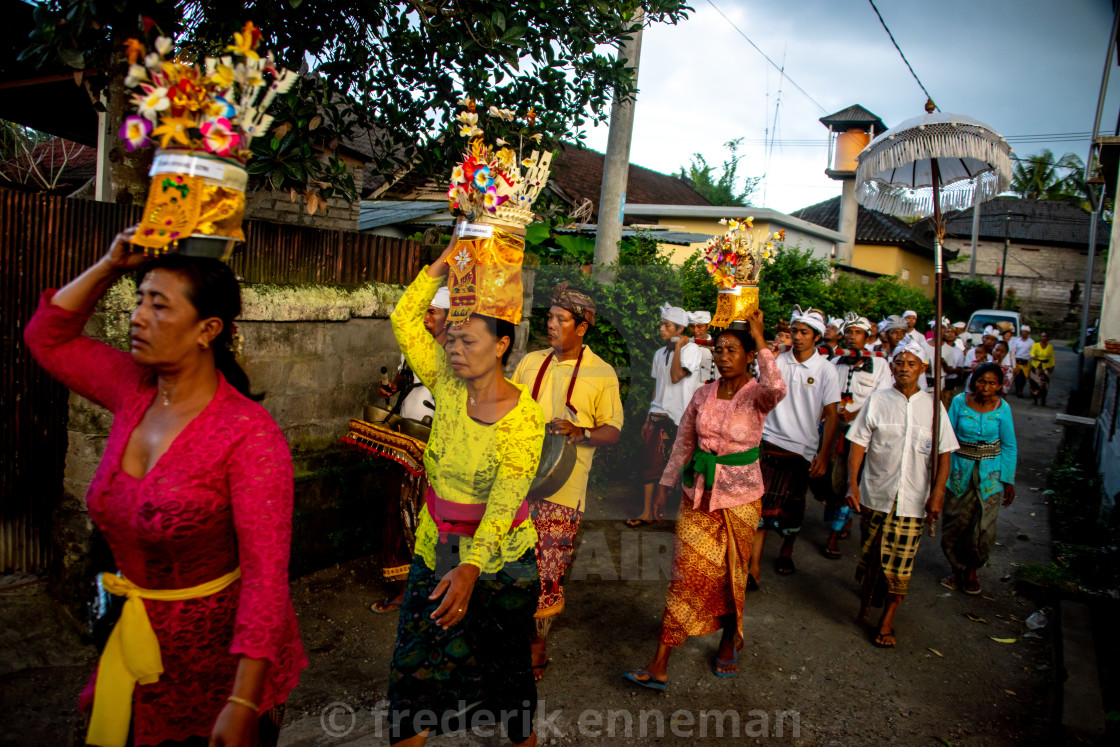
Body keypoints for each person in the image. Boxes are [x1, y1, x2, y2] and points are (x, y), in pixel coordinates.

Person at [24, 228, 306, 747]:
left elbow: (267, 581)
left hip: (219, 671)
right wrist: (111, 264)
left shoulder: (248, 436)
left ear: (208, 329)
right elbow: (47, 336)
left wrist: (243, 702)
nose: (137, 317)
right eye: (138, 301)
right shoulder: (132, 388)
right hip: (133, 642)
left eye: (159, 306)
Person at [387, 232, 546, 746]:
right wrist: (439, 263)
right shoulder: (447, 383)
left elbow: (503, 504)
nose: (453, 350)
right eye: (450, 339)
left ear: (502, 344)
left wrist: (473, 566)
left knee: (507, 678)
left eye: (468, 341)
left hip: (501, 561)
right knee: (412, 674)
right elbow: (403, 320)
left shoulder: (525, 417)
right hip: (435, 549)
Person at [623, 310, 785, 690]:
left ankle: (728, 640)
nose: (724, 355)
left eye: (733, 350)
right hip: (697, 495)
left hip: (742, 498)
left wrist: (761, 341)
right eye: (719, 349)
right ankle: (660, 663)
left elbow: (777, 387)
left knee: (731, 575)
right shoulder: (702, 393)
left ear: (748, 356)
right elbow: (683, 443)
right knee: (686, 574)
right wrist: (664, 486)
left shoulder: (757, 396)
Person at [511, 283, 623, 681]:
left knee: (546, 570)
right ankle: (506, 638)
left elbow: (613, 430)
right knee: (509, 564)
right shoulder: (530, 362)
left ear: (583, 328)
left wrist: (580, 431)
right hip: (518, 482)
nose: (552, 324)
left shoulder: (602, 372)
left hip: (565, 489)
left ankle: (537, 645)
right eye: (550, 317)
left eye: (561, 319)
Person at [847, 339, 959, 648]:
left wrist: (937, 494)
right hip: (876, 494)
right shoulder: (878, 400)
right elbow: (858, 442)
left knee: (901, 564)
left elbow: (944, 454)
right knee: (870, 554)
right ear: (892, 367)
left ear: (923, 369)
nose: (904, 369)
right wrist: (852, 483)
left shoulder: (933, 407)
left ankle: (887, 620)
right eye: (899, 363)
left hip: (912, 500)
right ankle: (873, 588)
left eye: (911, 364)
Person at [371, 286, 450, 614]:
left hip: (437, 450)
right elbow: (406, 378)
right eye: (425, 311)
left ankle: (434, 589)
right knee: (398, 509)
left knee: (428, 514)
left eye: (433, 312)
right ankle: (403, 587)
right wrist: (394, 387)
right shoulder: (412, 345)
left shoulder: (458, 353)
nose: (426, 318)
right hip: (405, 440)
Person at [750, 306, 840, 581]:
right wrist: (763, 346)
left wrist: (823, 456)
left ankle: (787, 551)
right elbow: (759, 389)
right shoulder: (778, 360)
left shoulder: (825, 370)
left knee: (794, 506)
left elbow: (832, 414)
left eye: (804, 332)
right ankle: (753, 567)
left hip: (803, 448)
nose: (797, 336)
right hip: (770, 439)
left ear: (816, 337)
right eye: (795, 331)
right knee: (762, 506)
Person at [939, 363, 1017, 596]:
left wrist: (1009, 480)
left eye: (992, 382)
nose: (986, 387)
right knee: (955, 524)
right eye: (982, 381)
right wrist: (939, 473)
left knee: (984, 527)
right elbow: (947, 436)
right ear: (974, 381)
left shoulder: (1003, 408)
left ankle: (972, 570)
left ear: (1000, 386)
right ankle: (956, 569)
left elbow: (1009, 445)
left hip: (990, 477)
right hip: (958, 473)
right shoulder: (959, 402)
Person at [821, 314, 892, 559]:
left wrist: (855, 414)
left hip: (861, 434)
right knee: (830, 478)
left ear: (866, 336)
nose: (852, 336)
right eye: (849, 332)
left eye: (857, 332)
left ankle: (835, 533)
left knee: (849, 479)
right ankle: (840, 521)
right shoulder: (836, 360)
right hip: (834, 428)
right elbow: (825, 391)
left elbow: (882, 399)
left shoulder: (880, 364)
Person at [630, 304, 704, 526]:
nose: (662, 329)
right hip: (658, 416)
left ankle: (682, 515)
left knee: (679, 469)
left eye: (667, 325)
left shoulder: (692, 351)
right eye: (662, 324)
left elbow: (675, 377)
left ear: (680, 329)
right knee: (650, 465)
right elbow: (658, 386)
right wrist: (648, 416)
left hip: (680, 418)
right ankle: (646, 511)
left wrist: (680, 348)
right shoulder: (659, 353)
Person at [689, 310, 718, 383]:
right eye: (692, 326)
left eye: (699, 326)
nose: (695, 330)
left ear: (708, 326)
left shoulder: (716, 345)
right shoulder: (685, 346)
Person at [1029, 331, 1057, 406]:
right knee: (1034, 384)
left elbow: (1052, 358)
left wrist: (1052, 366)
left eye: (1045, 336)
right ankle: (1035, 400)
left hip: (1045, 367)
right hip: (1036, 367)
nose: (1044, 338)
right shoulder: (1035, 345)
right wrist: (1033, 356)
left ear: (1048, 338)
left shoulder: (1050, 347)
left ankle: (1043, 400)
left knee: (1044, 385)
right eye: (1042, 336)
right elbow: (1032, 353)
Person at [1010, 325, 1033, 397]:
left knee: (1023, 378)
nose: (1024, 333)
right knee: (1016, 377)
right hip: (1017, 361)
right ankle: (1017, 389)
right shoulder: (1017, 341)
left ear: (1028, 333)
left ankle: (1020, 390)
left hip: (1025, 362)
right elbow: (1013, 351)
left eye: (1025, 332)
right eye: (1022, 332)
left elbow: (1033, 352)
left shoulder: (1031, 342)